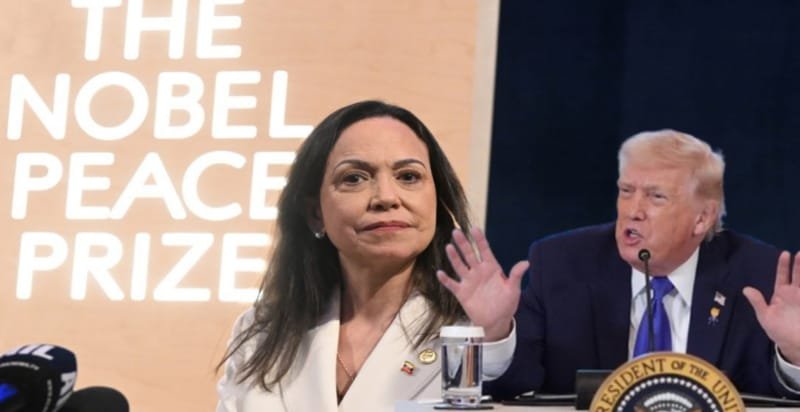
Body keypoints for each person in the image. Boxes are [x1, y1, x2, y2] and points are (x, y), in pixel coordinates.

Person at [215, 100, 528, 412]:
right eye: (354, 178)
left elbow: (499, 375)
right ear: (315, 213)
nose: (386, 198)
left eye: (408, 176)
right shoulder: (262, 331)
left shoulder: (473, 329)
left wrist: (493, 332)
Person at [485, 129, 800, 400]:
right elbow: (515, 385)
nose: (633, 211)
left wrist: (795, 353)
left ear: (702, 218)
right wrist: (494, 333)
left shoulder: (757, 275)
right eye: (626, 191)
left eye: (656, 197)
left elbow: (777, 396)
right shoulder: (564, 264)